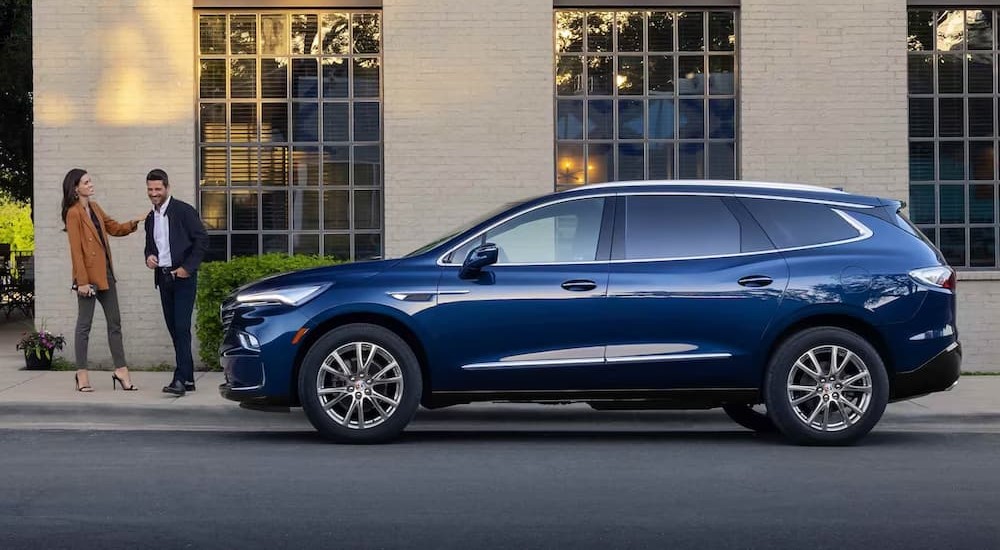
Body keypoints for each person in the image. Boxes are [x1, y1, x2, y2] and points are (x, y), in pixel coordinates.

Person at [61, 168, 145, 392]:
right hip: (87, 278)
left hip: (106, 274)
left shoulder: (95, 208)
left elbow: (114, 228)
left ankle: (121, 371)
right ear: (76, 187)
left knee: (114, 323)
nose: (91, 184)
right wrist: (82, 282)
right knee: (84, 326)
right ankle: (82, 375)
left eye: (90, 181)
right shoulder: (73, 213)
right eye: (86, 182)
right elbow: (76, 250)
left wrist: (134, 222)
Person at [143, 169, 207, 396]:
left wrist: (187, 268)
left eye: (158, 189)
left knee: (181, 327)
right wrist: (149, 256)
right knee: (175, 329)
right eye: (150, 189)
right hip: (163, 278)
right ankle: (188, 378)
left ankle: (179, 379)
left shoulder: (184, 211)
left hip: (183, 278)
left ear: (167, 188)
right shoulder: (150, 218)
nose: (154, 193)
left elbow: (201, 240)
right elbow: (151, 246)